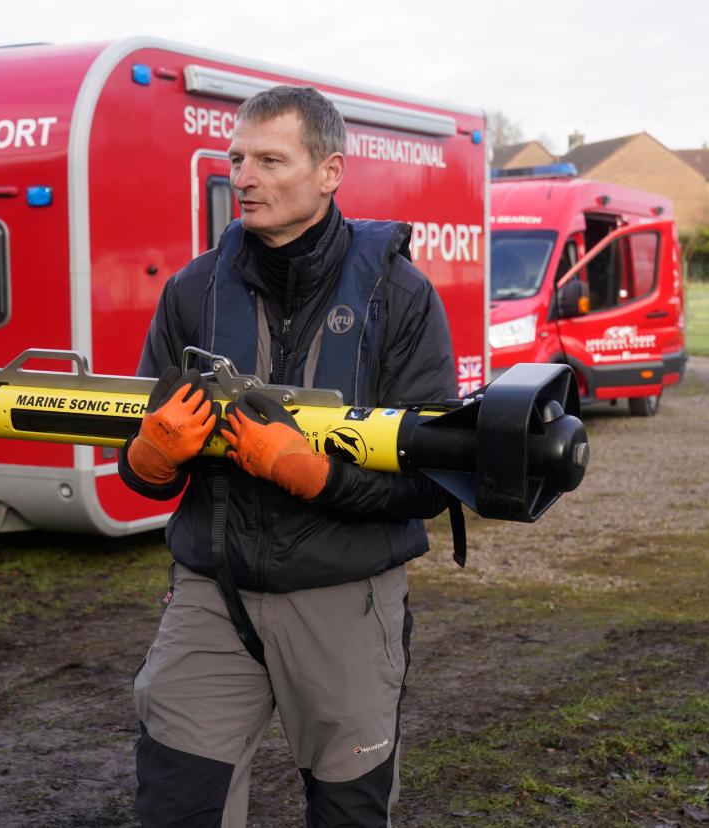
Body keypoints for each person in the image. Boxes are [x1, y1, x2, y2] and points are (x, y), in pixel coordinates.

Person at [118, 84, 455, 828]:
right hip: (212, 596)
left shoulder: (399, 296)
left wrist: (314, 475)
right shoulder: (191, 292)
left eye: (271, 160)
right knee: (177, 806)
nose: (243, 176)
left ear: (330, 172)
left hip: (346, 602)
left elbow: (433, 478)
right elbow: (138, 475)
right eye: (237, 158)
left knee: (348, 813)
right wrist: (150, 456)